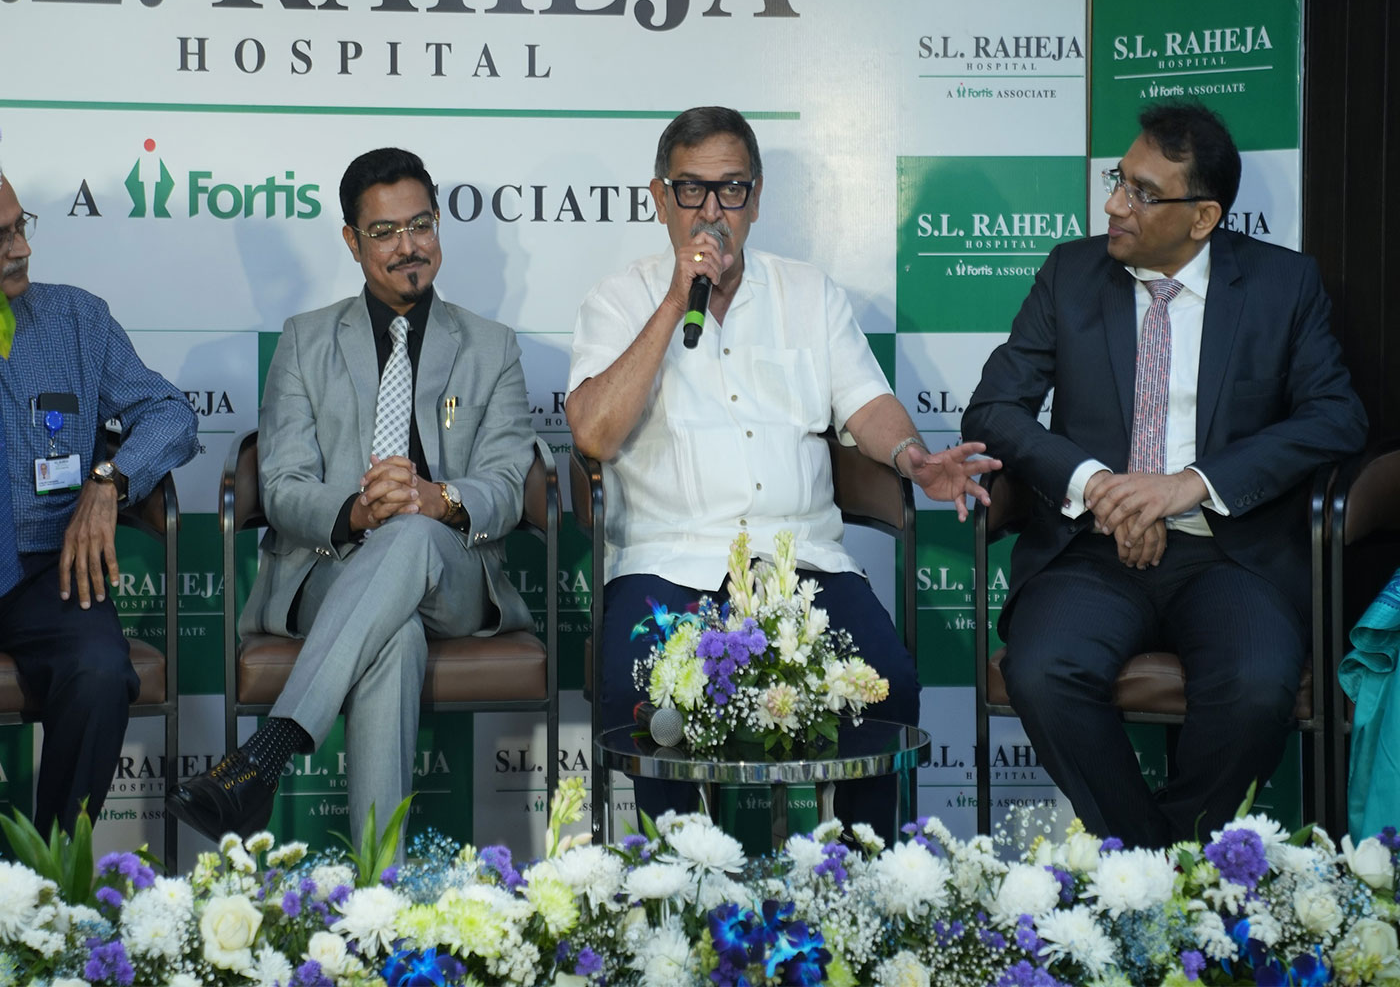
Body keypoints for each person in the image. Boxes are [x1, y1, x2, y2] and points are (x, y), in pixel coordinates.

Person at [566, 105, 997, 835]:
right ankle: (679, 897)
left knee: (886, 685)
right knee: (638, 699)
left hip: (804, 566)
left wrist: (913, 459)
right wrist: (677, 302)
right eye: (691, 190)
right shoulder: (619, 300)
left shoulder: (809, 293)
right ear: (658, 198)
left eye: (731, 190)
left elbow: (867, 403)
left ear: (757, 198)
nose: (711, 211)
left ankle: (861, 883)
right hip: (670, 565)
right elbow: (595, 434)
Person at [962, 102, 1368, 847]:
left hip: (1229, 552)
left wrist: (1189, 483)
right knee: (1045, 671)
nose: (1114, 203)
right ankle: (1156, 869)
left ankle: (1168, 866)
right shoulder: (1070, 273)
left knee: (1254, 686)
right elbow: (993, 410)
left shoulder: (1283, 286)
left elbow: (1335, 418)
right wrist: (1098, 486)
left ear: (1203, 216)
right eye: (1119, 180)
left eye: (1142, 193)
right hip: (1090, 552)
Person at [167, 147, 533, 843]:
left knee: (415, 534)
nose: (408, 248)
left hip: (451, 573)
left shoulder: (492, 346)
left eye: (421, 225)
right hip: (328, 574)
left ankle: (264, 754)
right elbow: (281, 487)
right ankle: (380, 893)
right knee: (391, 637)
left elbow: (509, 484)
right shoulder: (306, 342)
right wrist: (357, 511)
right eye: (385, 233)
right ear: (352, 241)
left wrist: (439, 498)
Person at [0, 173, 199, 904]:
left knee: (97, 669)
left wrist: (110, 481)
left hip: (49, 562)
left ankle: (51, 894)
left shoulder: (78, 321)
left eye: (22, 227)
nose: (21, 249)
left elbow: (171, 414)